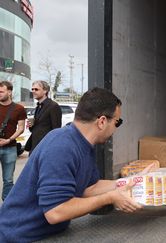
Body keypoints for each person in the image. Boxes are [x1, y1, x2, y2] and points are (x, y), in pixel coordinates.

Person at [0, 87, 141, 242]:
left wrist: (131, 182)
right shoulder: (61, 146)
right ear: (101, 121)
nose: (116, 128)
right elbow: (55, 211)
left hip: (46, 234)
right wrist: (109, 198)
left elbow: (89, 188)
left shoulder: (83, 144)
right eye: (117, 122)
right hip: (18, 237)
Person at [0, 81, 26, 201]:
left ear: (9, 92)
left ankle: (7, 204)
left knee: (8, 179)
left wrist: (9, 139)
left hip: (10, 148)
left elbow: (21, 128)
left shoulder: (19, 109)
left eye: (1, 91)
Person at [26, 80, 62, 153]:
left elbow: (56, 129)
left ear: (45, 91)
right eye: (32, 89)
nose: (33, 91)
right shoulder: (38, 106)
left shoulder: (53, 106)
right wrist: (31, 125)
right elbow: (37, 128)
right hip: (35, 146)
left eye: (36, 89)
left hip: (46, 147)